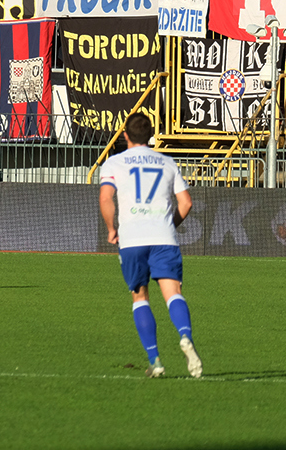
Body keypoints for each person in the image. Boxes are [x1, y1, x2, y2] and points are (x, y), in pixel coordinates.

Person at [97, 111, 201, 378]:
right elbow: (186, 203)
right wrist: (169, 225)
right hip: (164, 238)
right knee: (173, 293)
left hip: (132, 240)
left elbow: (106, 198)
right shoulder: (167, 162)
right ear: (151, 135)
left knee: (139, 297)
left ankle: (155, 361)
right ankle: (185, 336)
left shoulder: (114, 163)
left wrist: (111, 229)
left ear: (125, 136)